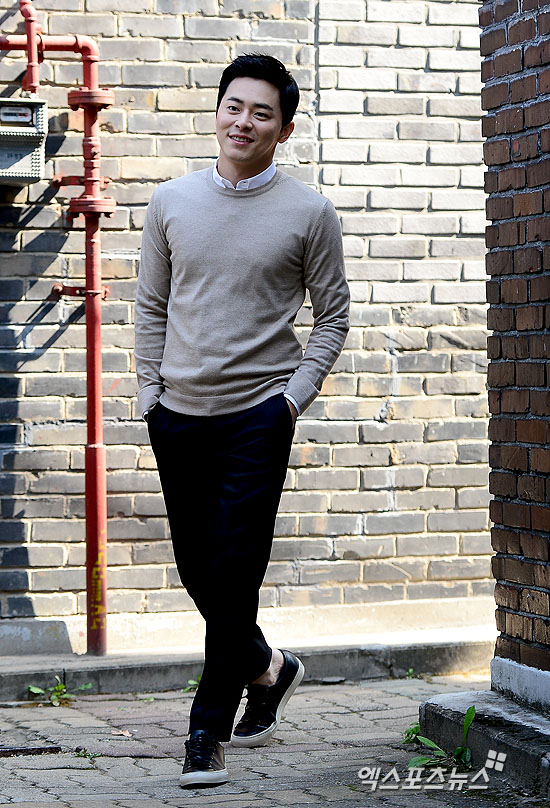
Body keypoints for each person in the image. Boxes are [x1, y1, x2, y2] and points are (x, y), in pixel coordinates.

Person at [134, 52, 350, 788]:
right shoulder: (170, 202)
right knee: (200, 570)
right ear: (218, 111)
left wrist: (291, 400)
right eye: (235, 106)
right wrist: (149, 396)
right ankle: (269, 667)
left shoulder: (309, 214)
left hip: (258, 414)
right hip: (178, 413)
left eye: (262, 113)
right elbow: (151, 307)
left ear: (283, 129)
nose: (244, 122)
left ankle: (206, 733)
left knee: (235, 572)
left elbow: (332, 317)